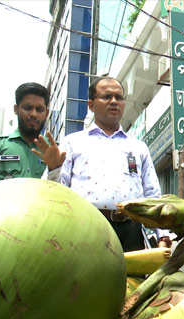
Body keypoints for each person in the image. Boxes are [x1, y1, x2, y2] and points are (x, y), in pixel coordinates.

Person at [37, 77, 170, 251]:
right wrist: (54, 168)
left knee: (132, 279)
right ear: (91, 105)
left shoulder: (138, 147)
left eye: (119, 97)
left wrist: (163, 235)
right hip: (86, 228)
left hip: (131, 231)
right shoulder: (72, 143)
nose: (114, 102)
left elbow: (153, 195)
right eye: (106, 96)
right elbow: (57, 196)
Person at [0, 82, 57, 188]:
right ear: (16, 109)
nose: (33, 114)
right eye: (27, 108)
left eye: (39, 109)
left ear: (46, 113)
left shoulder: (56, 150)